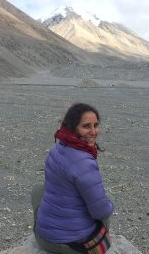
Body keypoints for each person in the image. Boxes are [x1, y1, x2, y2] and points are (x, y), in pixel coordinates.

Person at [31, 103, 114, 253]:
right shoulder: (83, 163)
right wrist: (109, 205)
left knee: (38, 189)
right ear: (73, 127)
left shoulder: (57, 148)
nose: (93, 131)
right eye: (86, 126)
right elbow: (100, 212)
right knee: (106, 202)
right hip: (71, 245)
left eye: (95, 125)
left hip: (42, 237)